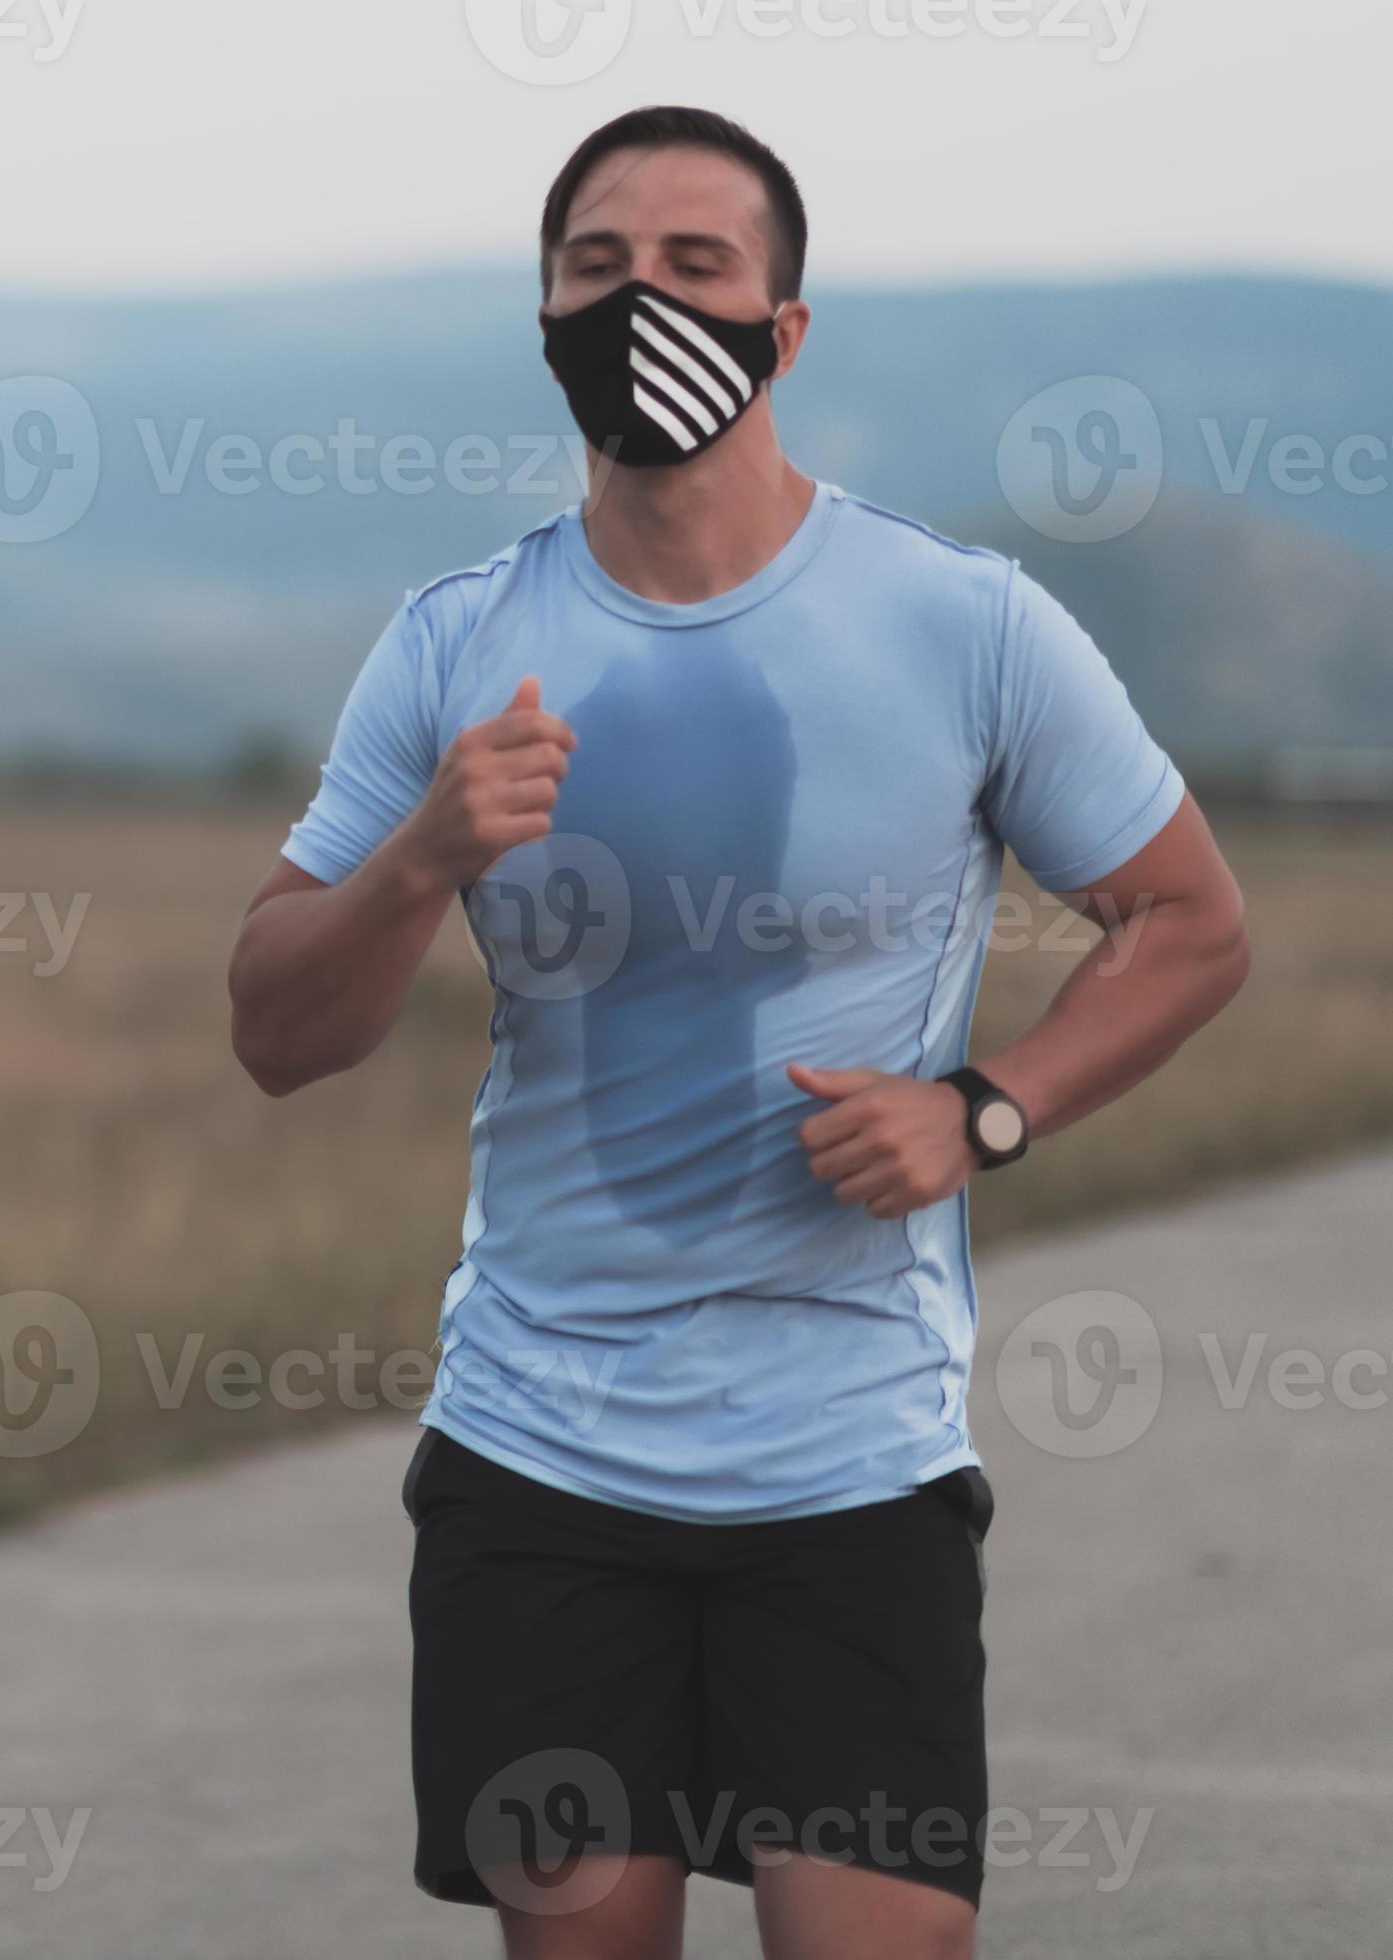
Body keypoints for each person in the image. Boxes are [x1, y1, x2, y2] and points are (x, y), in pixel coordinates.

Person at [227, 108, 1251, 1960]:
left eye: (696, 270)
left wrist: (984, 1112)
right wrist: (420, 858)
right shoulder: (458, 642)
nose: (641, 304)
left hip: (851, 1468)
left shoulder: (963, 626)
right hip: (540, 1462)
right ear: (544, 317)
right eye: (596, 268)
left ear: (785, 329)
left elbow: (1189, 923)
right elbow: (277, 1027)